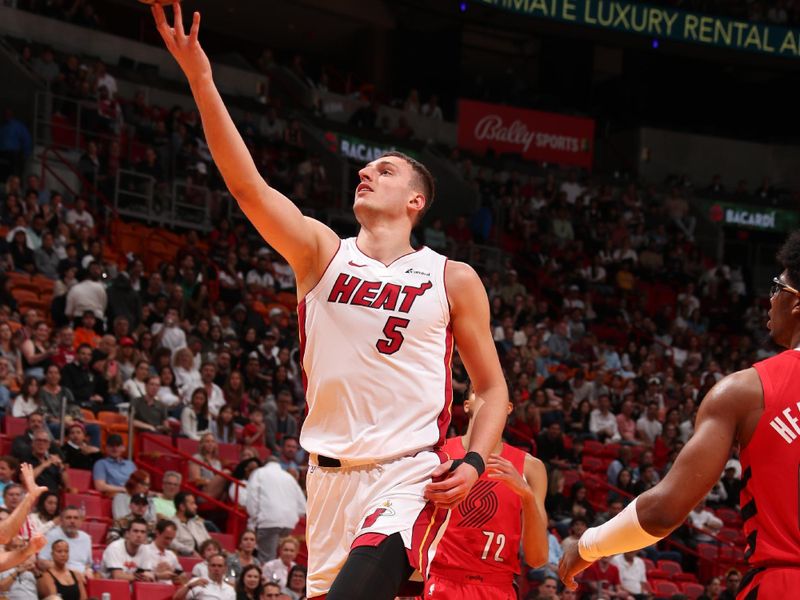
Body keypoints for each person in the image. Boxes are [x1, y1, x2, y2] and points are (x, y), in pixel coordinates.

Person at [152, 7, 508, 599]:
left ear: (417, 200)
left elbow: (493, 391)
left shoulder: (453, 277)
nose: (366, 170)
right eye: (366, 166)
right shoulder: (321, 252)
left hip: (408, 477)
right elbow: (248, 187)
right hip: (326, 480)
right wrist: (201, 79)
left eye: (385, 169)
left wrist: (472, 462)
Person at [558, 231, 800, 598]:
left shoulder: (745, 392)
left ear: (796, 303)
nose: (769, 300)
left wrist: (587, 545)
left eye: (776, 287)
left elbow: (663, 512)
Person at [424, 391, 548, 599]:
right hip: (439, 580)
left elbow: (538, 558)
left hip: (497, 587)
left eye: (495, 391)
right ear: (466, 405)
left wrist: (526, 495)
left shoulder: (531, 468)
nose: (488, 396)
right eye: (479, 390)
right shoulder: (438, 454)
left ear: (508, 408)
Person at [246, 459, 305, 563]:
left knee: (267, 559)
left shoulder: (259, 473)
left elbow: (252, 496)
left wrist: (254, 517)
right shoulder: (289, 477)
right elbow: (302, 506)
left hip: (268, 521)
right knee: (281, 560)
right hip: (288, 523)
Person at [0, 464, 48, 574]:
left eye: (18, 495)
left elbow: (2, 562)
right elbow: (4, 535)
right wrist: (29, 497)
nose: (14, 498)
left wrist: (27, 550)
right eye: (11, 495)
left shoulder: (29, 520)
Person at [39, 506, 92, 577]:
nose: (72, 521)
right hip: (60, 577)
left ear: (81, 521)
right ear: (61, 521)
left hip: (82, 578)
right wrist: (69, 572)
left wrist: (88, 570)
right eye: (68, 518)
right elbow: (41, 562)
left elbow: (88, 564)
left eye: (76, 518)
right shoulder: (52, 535)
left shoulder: (86, 538)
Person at [139, 519, 187, 584]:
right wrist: (157, 574)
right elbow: (138, 576)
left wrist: (172, 571)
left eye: (171, 539)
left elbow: (184, 579)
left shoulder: (171, 555)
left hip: (170, 591)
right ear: (157, 533)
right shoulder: (144, 550)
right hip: (149, 589)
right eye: (166, 538)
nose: (169, 542)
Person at [170, 492, 211, 556]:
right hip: (186, 558)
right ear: (182, 507)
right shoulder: (170, 524)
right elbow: (171, 542)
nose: (196, 507)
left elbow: (209, 542)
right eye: (192, 504)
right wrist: (190, 551)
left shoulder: (198, 523)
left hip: (206, 558)